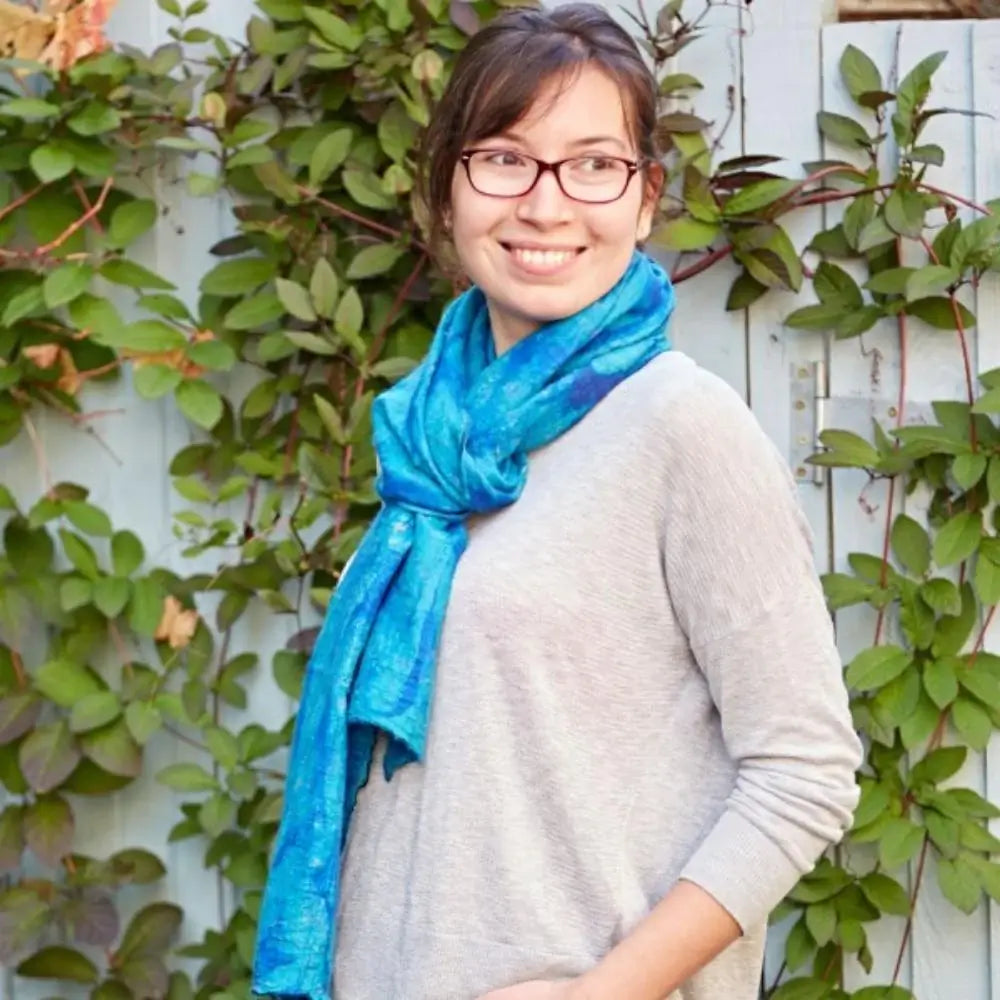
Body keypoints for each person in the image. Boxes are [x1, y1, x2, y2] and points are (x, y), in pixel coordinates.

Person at [251, 5, 863, 1000]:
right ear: (447, 186)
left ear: (645, 196)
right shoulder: (429, 443)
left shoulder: (680, 428)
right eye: (503, 157)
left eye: (592, 164)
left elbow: (804, 773)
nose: (545, 205)